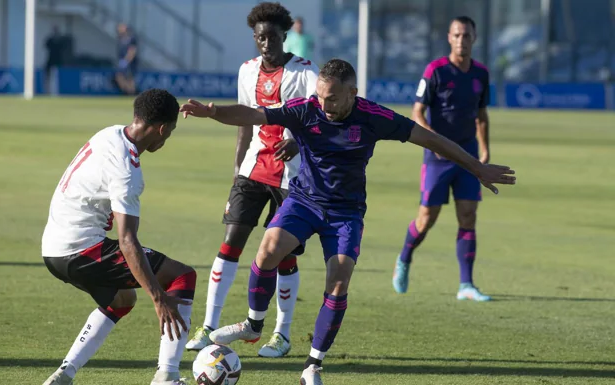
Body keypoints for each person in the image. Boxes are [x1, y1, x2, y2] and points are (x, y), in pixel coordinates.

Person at [179, 58, 516, 384]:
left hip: (345, 212)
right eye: (321, 96)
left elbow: (428, 138)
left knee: (338, 282)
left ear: (353, 92)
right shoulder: (306, 107)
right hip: (304, 201)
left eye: (333, 98)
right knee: (267, 251)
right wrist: (213, 112)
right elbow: (254, 113)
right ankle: (254, 325)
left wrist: (477, 167)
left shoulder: (373, 116)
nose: (324, 104)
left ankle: (313, 365)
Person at [184, 2, 318, 358]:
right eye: (260, 38)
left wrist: (296, 139)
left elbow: (321, 118)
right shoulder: (246, 71)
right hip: (252, 170)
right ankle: (209, 325)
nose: (265, 44)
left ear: (284, 36)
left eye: (272, 37)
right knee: (230, 243)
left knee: (283, 255)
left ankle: (282, 334)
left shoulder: (305, 72)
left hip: (292, 177)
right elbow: (244, 120)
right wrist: (235, 171)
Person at [42, 89, 196, 385]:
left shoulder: (110, 133)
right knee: (182, 277)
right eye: (171, 132)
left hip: (53, 249)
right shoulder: (128, 171)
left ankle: (65, 374)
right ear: (162, 129)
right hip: (80, 249)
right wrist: (158, 298)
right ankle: (167, 375)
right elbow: (127, 241)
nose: (167, 139)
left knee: (123, 298)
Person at [393, 16, 494, 301]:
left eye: (467, 35)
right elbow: (417, 112)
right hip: (438, 157)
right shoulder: (435, 70)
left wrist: (484, 149)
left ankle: (466, 285)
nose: (462, 40)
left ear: (474, 38)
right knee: (427, 219)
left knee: (468, 215)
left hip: (468, 154)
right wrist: (433, 140)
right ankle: (404, 259)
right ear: (449, 37)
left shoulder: (481, 74)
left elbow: (482, 115)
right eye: (457, 35)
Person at [115, 23, 139, 95]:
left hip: (130, 62)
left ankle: (132, 93)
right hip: (122, 61)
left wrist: (127, 60)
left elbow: (132, 50)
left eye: (121, 27)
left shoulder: (131, 38)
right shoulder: (120, 39)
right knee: (119, 76)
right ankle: (126, 92)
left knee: (130, 78)